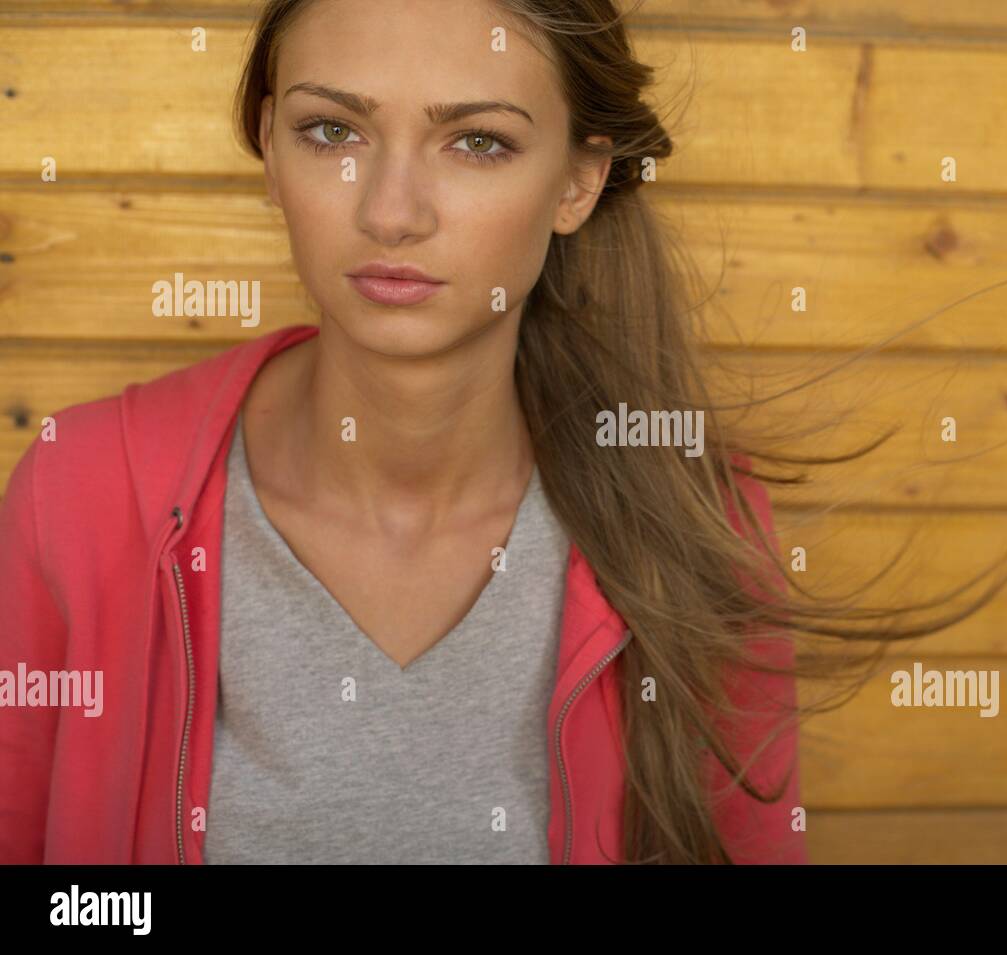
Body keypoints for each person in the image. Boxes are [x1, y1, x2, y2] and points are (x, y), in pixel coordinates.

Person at [0, 0, 817, 865]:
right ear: (269, 150)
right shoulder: (82, 490)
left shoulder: (703, 524)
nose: (390, 213)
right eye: (331, 131)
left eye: (478, 142)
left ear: (578, 182)